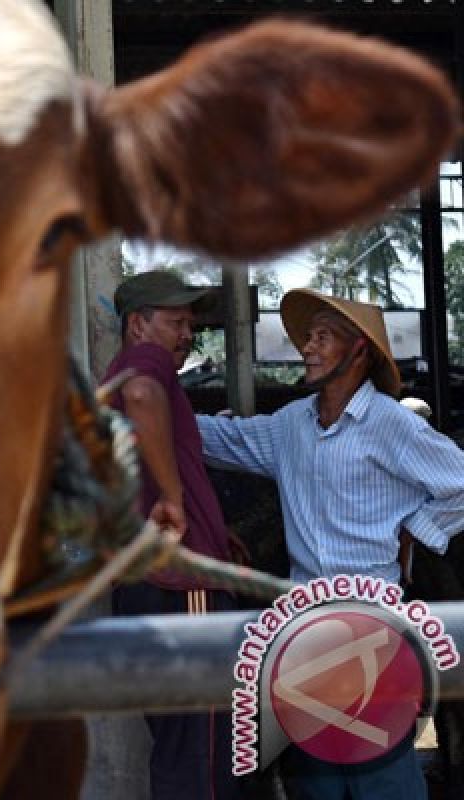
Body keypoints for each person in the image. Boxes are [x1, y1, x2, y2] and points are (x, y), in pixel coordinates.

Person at [198, 289, 464, 800]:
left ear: (358, 351)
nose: (308, 348)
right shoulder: (291, 425)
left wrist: (416, 531)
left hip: (374, 627)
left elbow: (458, 481)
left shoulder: (391, 424)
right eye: (308, 337)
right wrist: (144, 414)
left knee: (381, 770)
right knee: (315, 776)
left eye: (323, 337)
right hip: (304, 631)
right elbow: (220, 439)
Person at [103, 270, 241, 800]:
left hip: (150, 586)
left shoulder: (120, 371)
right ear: (138, 324)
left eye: (191, 324)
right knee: (204, 756)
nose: (187, 334)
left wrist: (215, 533)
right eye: (175, 321)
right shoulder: (145, 364)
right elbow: (142, 395)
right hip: (183, 589)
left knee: (181, 745)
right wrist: (175, 500)